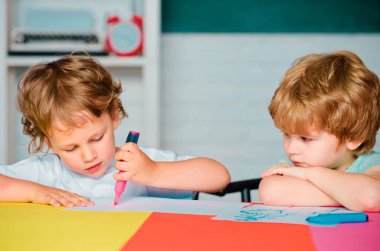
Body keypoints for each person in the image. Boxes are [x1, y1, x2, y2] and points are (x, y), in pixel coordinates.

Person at [0, 54, 230, 207]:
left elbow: (219, 177)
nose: (88, 155)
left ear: (114, 116)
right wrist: (34, 192)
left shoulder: (136, 165)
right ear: (48, 142)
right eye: (71, 148)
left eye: (96, 138)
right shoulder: (48, 172)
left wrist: (153, 171)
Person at [259, 50, 380, 212]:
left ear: (353, 137)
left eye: (306, 138)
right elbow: (271, 191)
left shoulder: (369, 164)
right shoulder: (295, 162)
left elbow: (372, 198)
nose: (291, 149)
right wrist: (349, 197)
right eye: (286, 134)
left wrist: (310, 174)